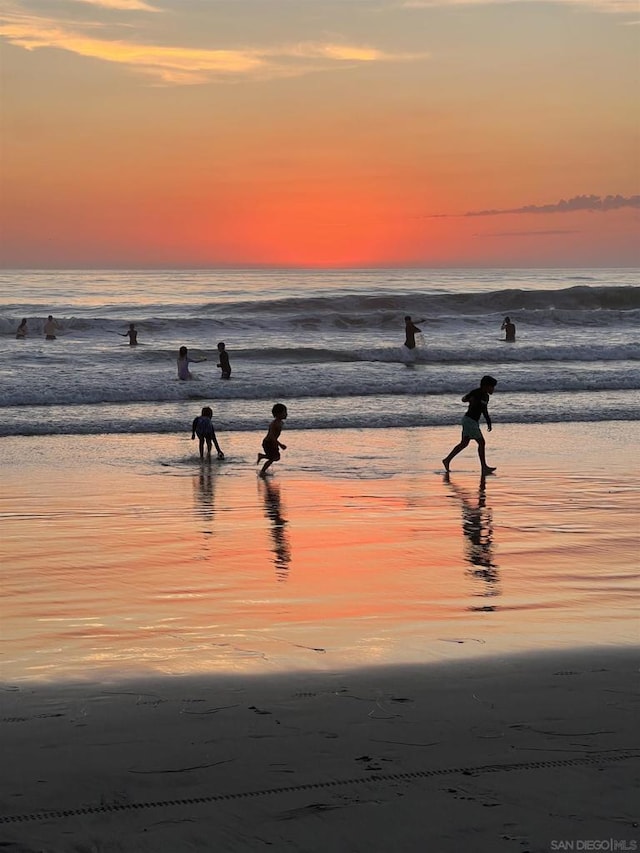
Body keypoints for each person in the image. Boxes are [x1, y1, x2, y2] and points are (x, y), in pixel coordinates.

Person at [442, 375, 497, 475]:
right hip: (469, 421)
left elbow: (484, 410)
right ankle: (484, 467)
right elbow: (463, 399)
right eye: (492, 387)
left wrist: (488, 421)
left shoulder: (486, 396)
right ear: (485, 386)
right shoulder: (476, 392)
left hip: (472, 421)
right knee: (481, 442)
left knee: (464, 443)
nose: (493, 389)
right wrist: (469, 399)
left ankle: (447, 460)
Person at [256, 403, 288, 477]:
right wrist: (280, 445)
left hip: (272, 442)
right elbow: (271, 436)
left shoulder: (280, 423)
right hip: (268, 442)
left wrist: (276, 443)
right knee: (274, 457)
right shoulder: (275, 424)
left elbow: (274, 436)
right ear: (278, 414)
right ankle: (262, 472)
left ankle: (262, 456)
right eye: (284, 412)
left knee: (276, 457)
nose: (286, 414)